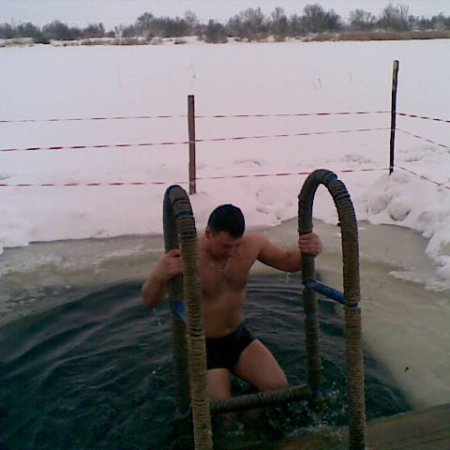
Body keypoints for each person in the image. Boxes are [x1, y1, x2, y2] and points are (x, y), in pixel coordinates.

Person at [142, 204, 322, 404]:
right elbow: (149, 301)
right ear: (209, 233)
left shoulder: (252, 245)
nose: (232, 252)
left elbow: (288, 261)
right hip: (203, 345)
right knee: (224, 409)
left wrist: (309, 251)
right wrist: (158, 275)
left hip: (237, 336)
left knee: (278, 388)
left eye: (236, 245)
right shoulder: (186, 256)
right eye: (226, 246)